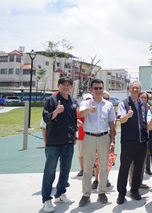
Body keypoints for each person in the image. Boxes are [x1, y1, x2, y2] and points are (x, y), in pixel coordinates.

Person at [41, 77, 78, 213]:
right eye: (63, 85)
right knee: (49, 172)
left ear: (71, 87)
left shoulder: (73, 101)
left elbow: (73, 121)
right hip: (53, 143)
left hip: (68, 142)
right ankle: (46, 199)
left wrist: (74, 135)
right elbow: (46, 118)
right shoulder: (52, 100)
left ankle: (60, 194)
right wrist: (56, 112)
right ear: (58, 85)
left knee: (65, 170)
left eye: (69, 85)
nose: (66, 87)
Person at [78, 79, 116, 207]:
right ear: (91, 89)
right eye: (96, 88)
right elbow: (80, 113)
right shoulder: (86, 102)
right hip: (89, 137)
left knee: (104, 167)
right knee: (88, 168)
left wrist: (112, 141)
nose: (98, 90)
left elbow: (111, 124)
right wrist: (89, 109)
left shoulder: (108, 105)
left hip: (104, 137)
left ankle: (102, 192)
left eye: (100, 88)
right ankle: (86, 194)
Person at [116, 81, 149, 205]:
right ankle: (121, 193)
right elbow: (121, 120)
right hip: (128, 142)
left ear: (140, 90)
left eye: (137, 88)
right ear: (129, 89)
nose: (135, 89)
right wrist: (128, 115)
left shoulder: (144, 104)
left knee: (138, 168)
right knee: (124, 168)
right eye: (133, 88)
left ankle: (135, 190)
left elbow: (147, 121)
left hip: (142, 142)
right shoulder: (124, 103)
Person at [91, 90, 116, 189]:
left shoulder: (110, 107)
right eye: (104, 97)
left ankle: (105, 179)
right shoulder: (93, 107)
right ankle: (96, 179)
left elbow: (113, 124)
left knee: (108, 159)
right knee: (96, 159)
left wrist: (113, 140)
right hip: (96, 137)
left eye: (107, 98)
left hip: (109, 137)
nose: (105, 99)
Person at [76, 93, 93, 177]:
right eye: (86, 99)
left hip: (92, 135)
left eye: (89, 99)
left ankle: (93, 169)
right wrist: (84, 125)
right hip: (82, 135)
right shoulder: (80, 110)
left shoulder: (94, 109)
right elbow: (77, 120)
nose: (88, 101)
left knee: (92, 153)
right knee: (81, 153)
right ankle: (82, 169)